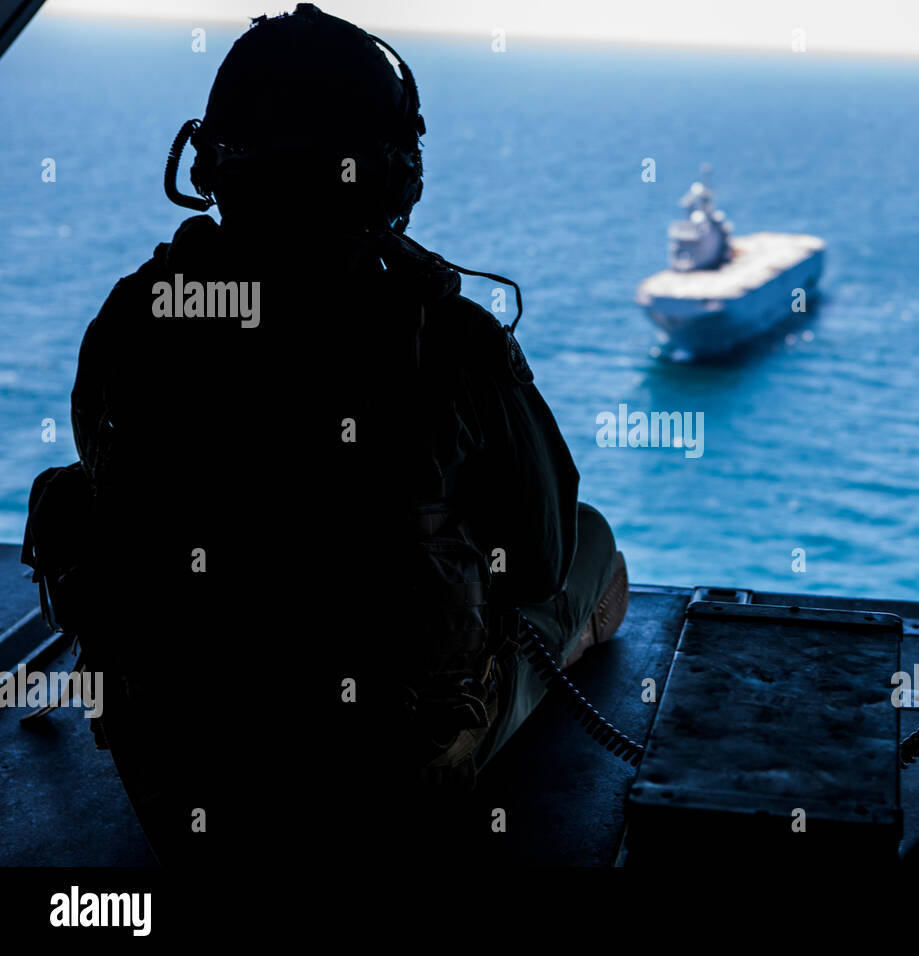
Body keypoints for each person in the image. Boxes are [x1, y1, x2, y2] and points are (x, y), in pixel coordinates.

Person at [61, 3, 627, 865]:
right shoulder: (449, 338)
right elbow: (541, 557)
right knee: (593, 548)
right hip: (381, 803)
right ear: (395, 174)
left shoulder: (136, 316)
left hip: (181, 790)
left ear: (212, 160)